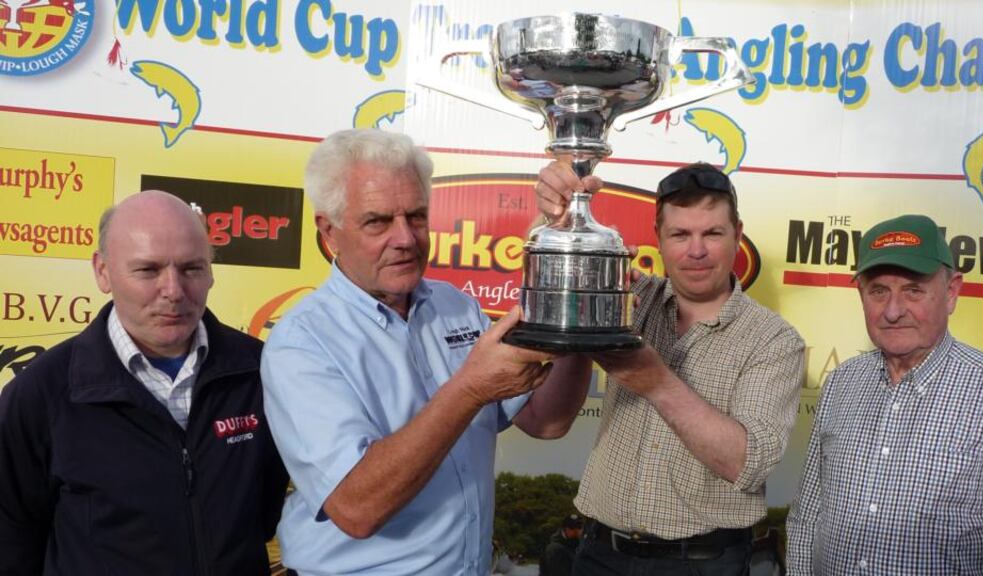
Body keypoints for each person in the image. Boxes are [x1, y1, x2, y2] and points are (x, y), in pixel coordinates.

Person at [260, 129, 592, 575]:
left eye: (417, 217)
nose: (406, 238)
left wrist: (571, 292)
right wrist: (469, 389)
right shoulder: (303, 341)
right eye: (377, 221)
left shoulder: (455, 305)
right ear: (329, 231)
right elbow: (358, 507)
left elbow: (547, 421)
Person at [533, 160, 805, 575]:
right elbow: (563, 279)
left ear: (738, 236)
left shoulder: (773, 339)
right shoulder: (627, 297)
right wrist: (560, 217)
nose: (696, 251)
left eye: (712, 233)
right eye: (680, 234)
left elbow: (748, 463)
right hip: (596, 554)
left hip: (704, 564)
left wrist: (658, 383)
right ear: (658, 238)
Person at [0, 191, 289, 574]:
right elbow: (11, 544)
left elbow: (267, 511)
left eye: (191, 269)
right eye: (148, 270)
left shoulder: (262, 372)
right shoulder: (39, 395)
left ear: (211, 271)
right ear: (103, 272)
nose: (173, 291)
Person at [786, 214, 983, 574]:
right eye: (878, 291)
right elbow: (808, 516)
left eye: (913, 290)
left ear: (952, 291)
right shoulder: (841, 383)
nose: (893, 311)